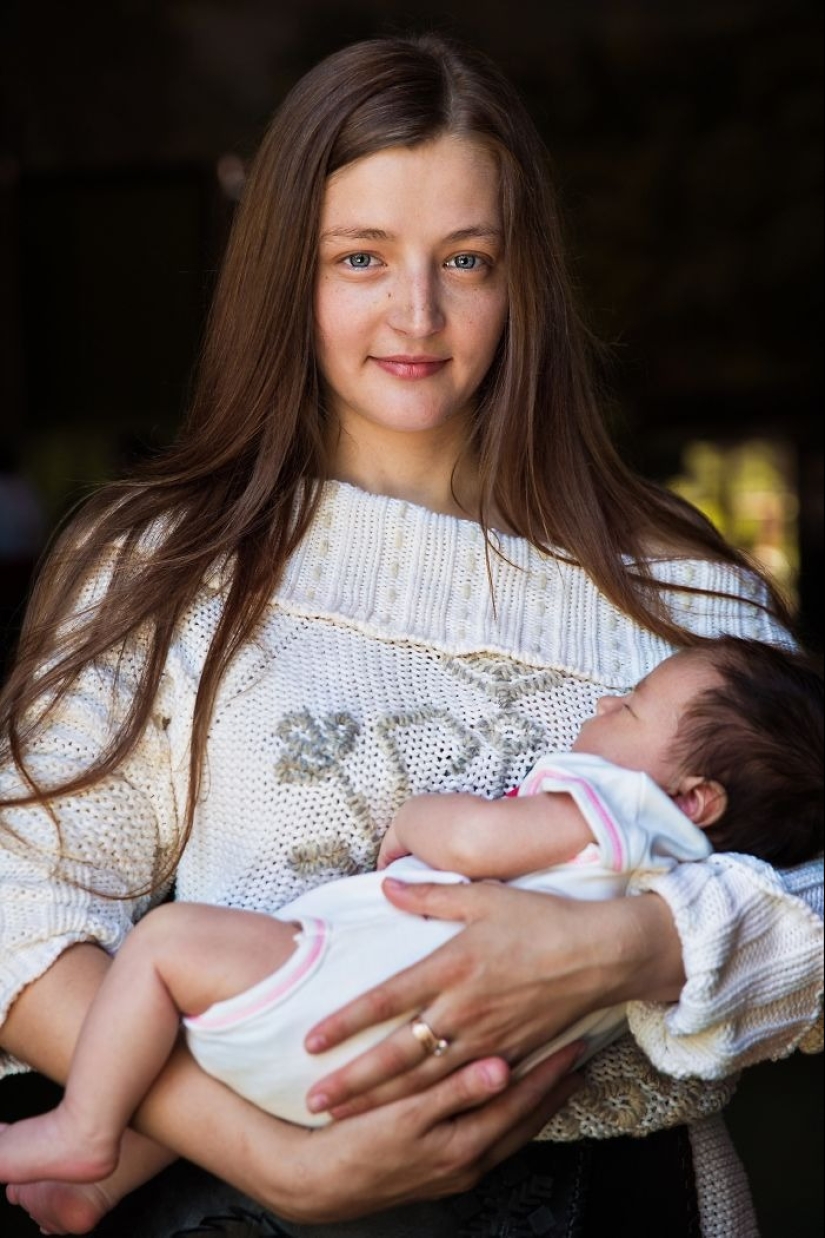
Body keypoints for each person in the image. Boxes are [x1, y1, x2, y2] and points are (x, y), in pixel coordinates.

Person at [0, 31, 822, 1238]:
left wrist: (631, 947)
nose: (417, 312)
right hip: (247, 1208)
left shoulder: (680, 587)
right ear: (290, 271)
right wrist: (276, 1157)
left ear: (522, 277)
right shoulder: (174, 562)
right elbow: (18, 908)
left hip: (630, 1207)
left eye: (468, 259)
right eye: (362, 257)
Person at [0, 635, 822, 1218]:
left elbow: (469, 840)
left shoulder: (620, 811)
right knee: (226, 1068)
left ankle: (84, 1128)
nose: (608, 699)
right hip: (423, 1090)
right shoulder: (699, 872)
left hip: (344, 993)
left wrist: (419, 820)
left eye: (633, 706)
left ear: (691, 800)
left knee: (165, 949)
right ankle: (99, 1186)